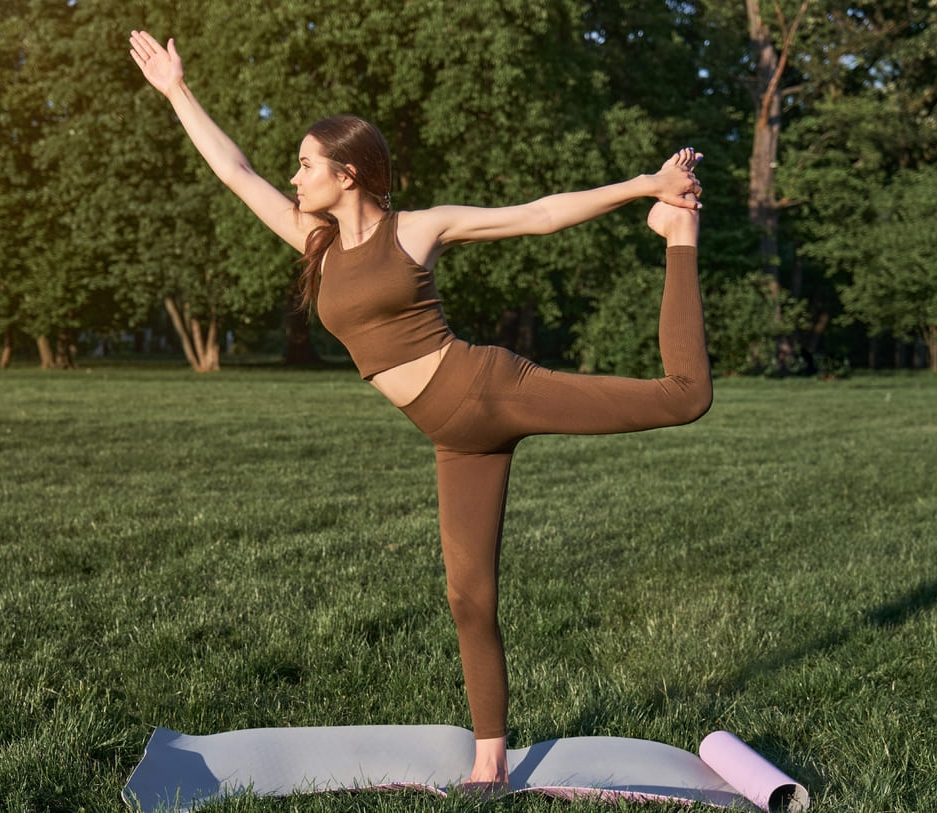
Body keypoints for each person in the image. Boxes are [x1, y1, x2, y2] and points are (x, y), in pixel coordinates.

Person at [129, 29, 712, 790]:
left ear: (347, 172)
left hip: (489, 388)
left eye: (305, 163)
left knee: (684, 397)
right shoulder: (316, 244)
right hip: (454, 438)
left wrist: (645, 188)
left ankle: (680, 236)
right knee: (468, 594)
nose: (293, 175)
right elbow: (235, 172)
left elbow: (535, 215)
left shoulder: (417, 229)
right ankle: (489, 760)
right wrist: (177, 90)